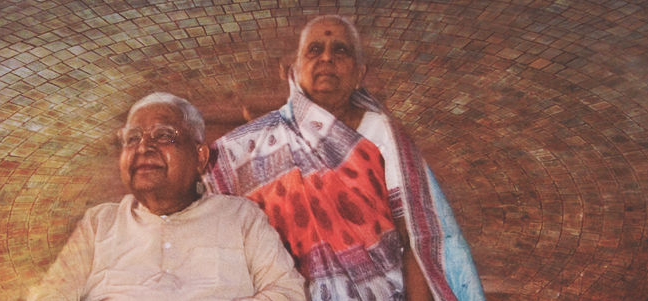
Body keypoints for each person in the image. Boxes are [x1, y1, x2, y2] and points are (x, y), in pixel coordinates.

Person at [205, 16, 484, 301]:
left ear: (360, 72)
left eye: (340, 50)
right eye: (314, 49)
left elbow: (416, 238)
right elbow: (199, 193)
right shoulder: (253, 145)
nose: (326, 57)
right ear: (294, 68)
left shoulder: (383, 133)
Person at [28, 92, 305, 301]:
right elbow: (51, 294)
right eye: (132, 138)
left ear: (200, 157)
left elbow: (287, 292)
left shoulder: (241, 218)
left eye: (163, 136)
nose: (143, 147)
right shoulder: (99, 223)